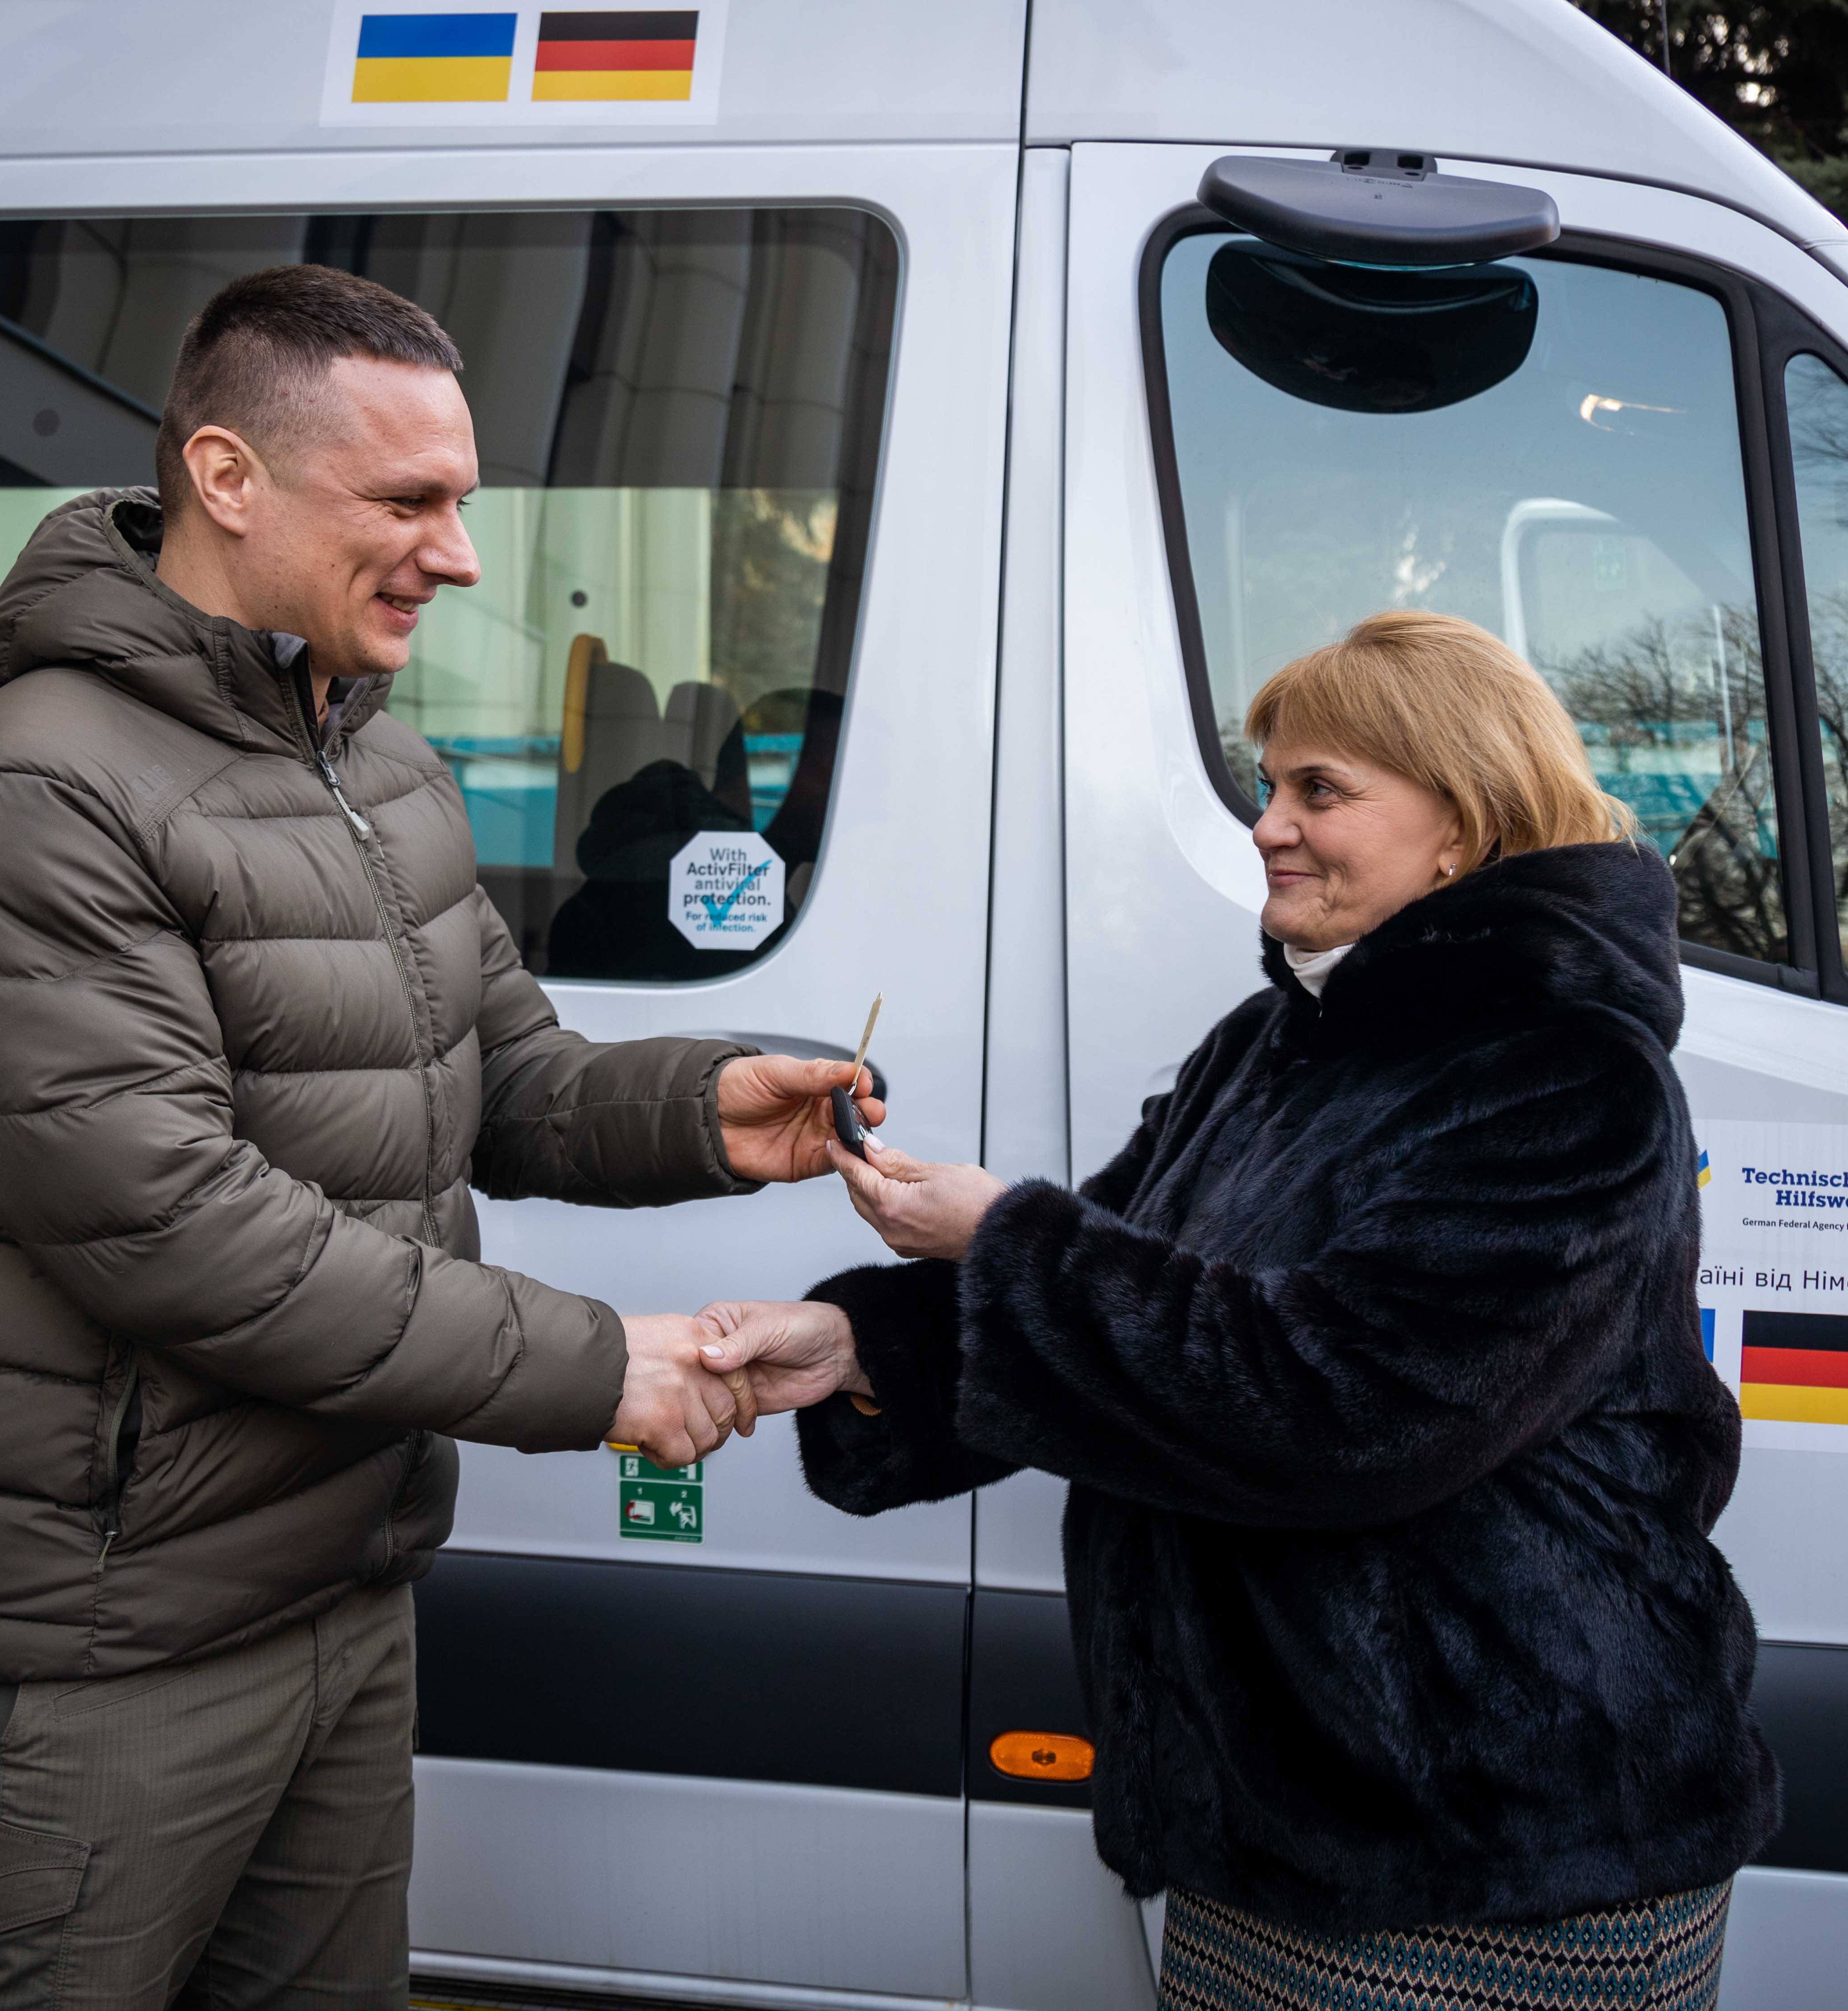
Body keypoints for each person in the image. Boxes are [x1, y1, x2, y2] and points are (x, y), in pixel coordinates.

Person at [0, 264, 874, 2011]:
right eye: (410, 502)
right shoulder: (30, 797)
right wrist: (597, 1364)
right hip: (108, 1644)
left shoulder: (374, 768)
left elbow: (511, 1077)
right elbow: (189, 1233)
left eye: (461, 502)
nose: (460, 554)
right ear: (230, 477)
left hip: (339, 1584)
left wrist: (709, 1104)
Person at [701, 610, 1781, 2011]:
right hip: (1291, 1833)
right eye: (1270, 786)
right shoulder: (1271, 1043)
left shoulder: (1562, 1071)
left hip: (1499, 1852)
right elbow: (1117, 1312)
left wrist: (1001, 1235)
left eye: (1320, 791)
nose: (1269, 826)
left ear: (1464, 824)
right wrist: (859, 1348)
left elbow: (1346, 1407)